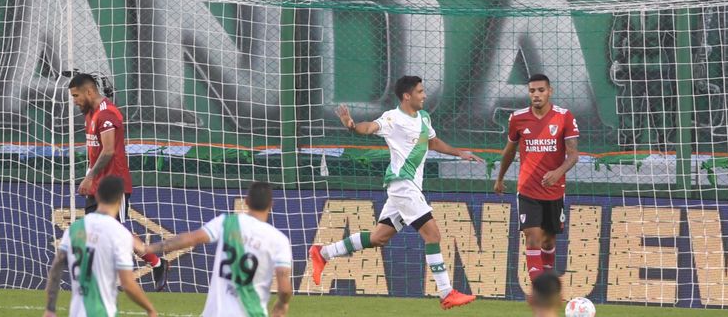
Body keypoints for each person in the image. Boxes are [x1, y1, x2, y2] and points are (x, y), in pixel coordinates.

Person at [309, 75, 482, 310]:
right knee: (433, 235)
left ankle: (323, 253)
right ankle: (446, 292)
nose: (424, 95)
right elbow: (370, 127)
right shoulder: (393, 118)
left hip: (408, 188)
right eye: (420, 92)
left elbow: (433, 143)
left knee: (379, 238)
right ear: (407, 96)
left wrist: (460, 153)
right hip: (403, 184)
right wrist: (351, 125)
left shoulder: (423, 117)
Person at [68, 73, 169, 290]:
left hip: (114, 185)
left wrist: (89, 177)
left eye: (76, 96)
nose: (74, 101)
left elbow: (108, 151)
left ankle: (155, 263)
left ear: (89, 91)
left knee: (114, 230)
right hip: (97, 184)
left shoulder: (107, 115)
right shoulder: (91, 113)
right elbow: (95, 153)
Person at [144, 182, 293, 317]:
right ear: (271, 205)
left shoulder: (227, 223)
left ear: (246, 201)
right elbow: (285, 290)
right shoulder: (279, 240)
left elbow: (190, 238)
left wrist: (150, 248)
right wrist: (282, 305)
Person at [494, 74, 580, 283]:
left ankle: (548, 282)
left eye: (541, 90)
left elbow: (573, 154)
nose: (536, 94)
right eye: (532, 91)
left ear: (550, 91)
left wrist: (558, 172)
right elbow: (509, 151)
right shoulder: (517, 118)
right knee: (533, 239)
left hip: (554, 191)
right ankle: (541, 293)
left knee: (548, 242)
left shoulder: (564, 116)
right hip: (528, 190)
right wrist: (500, 178)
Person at [43, 175, 157, 317]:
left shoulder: (74, 229)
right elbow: (127, 283)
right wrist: (150, 309)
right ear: (120, 199)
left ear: (96, 195)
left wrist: (50, 308)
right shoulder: (119, 233)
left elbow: (56, 268)